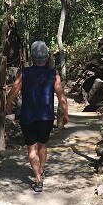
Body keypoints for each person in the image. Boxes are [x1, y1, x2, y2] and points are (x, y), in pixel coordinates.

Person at [6, 41, 68, 192]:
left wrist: (7, 107)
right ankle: (40, 170)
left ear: (31, 58)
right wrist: (65, 114)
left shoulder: (23, 73)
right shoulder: (54, 75)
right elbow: (61, 97)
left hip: (27, 116)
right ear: (47, 58)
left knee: (31, 148)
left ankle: (38, 180)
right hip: (46, 117)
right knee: (43, 145)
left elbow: (14, 91)